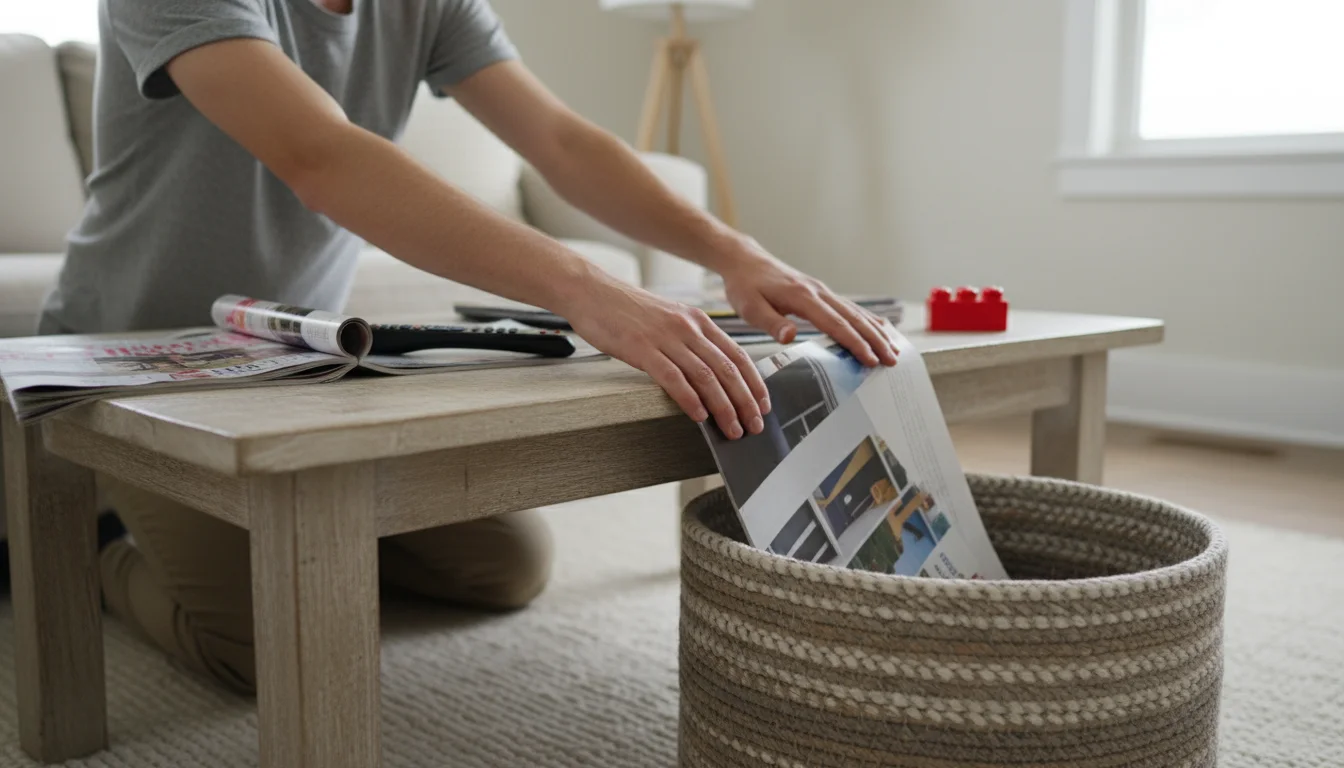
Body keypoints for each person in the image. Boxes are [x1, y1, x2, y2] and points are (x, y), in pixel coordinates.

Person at [39, 0, 898, 694]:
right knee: (261, 649)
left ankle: (284, 537)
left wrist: (737, 254)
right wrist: (589, 291)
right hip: (136, 360)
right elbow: (320, 153)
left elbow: (562, 142)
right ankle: (105, 547)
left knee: (504, 567)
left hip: (293, 358)